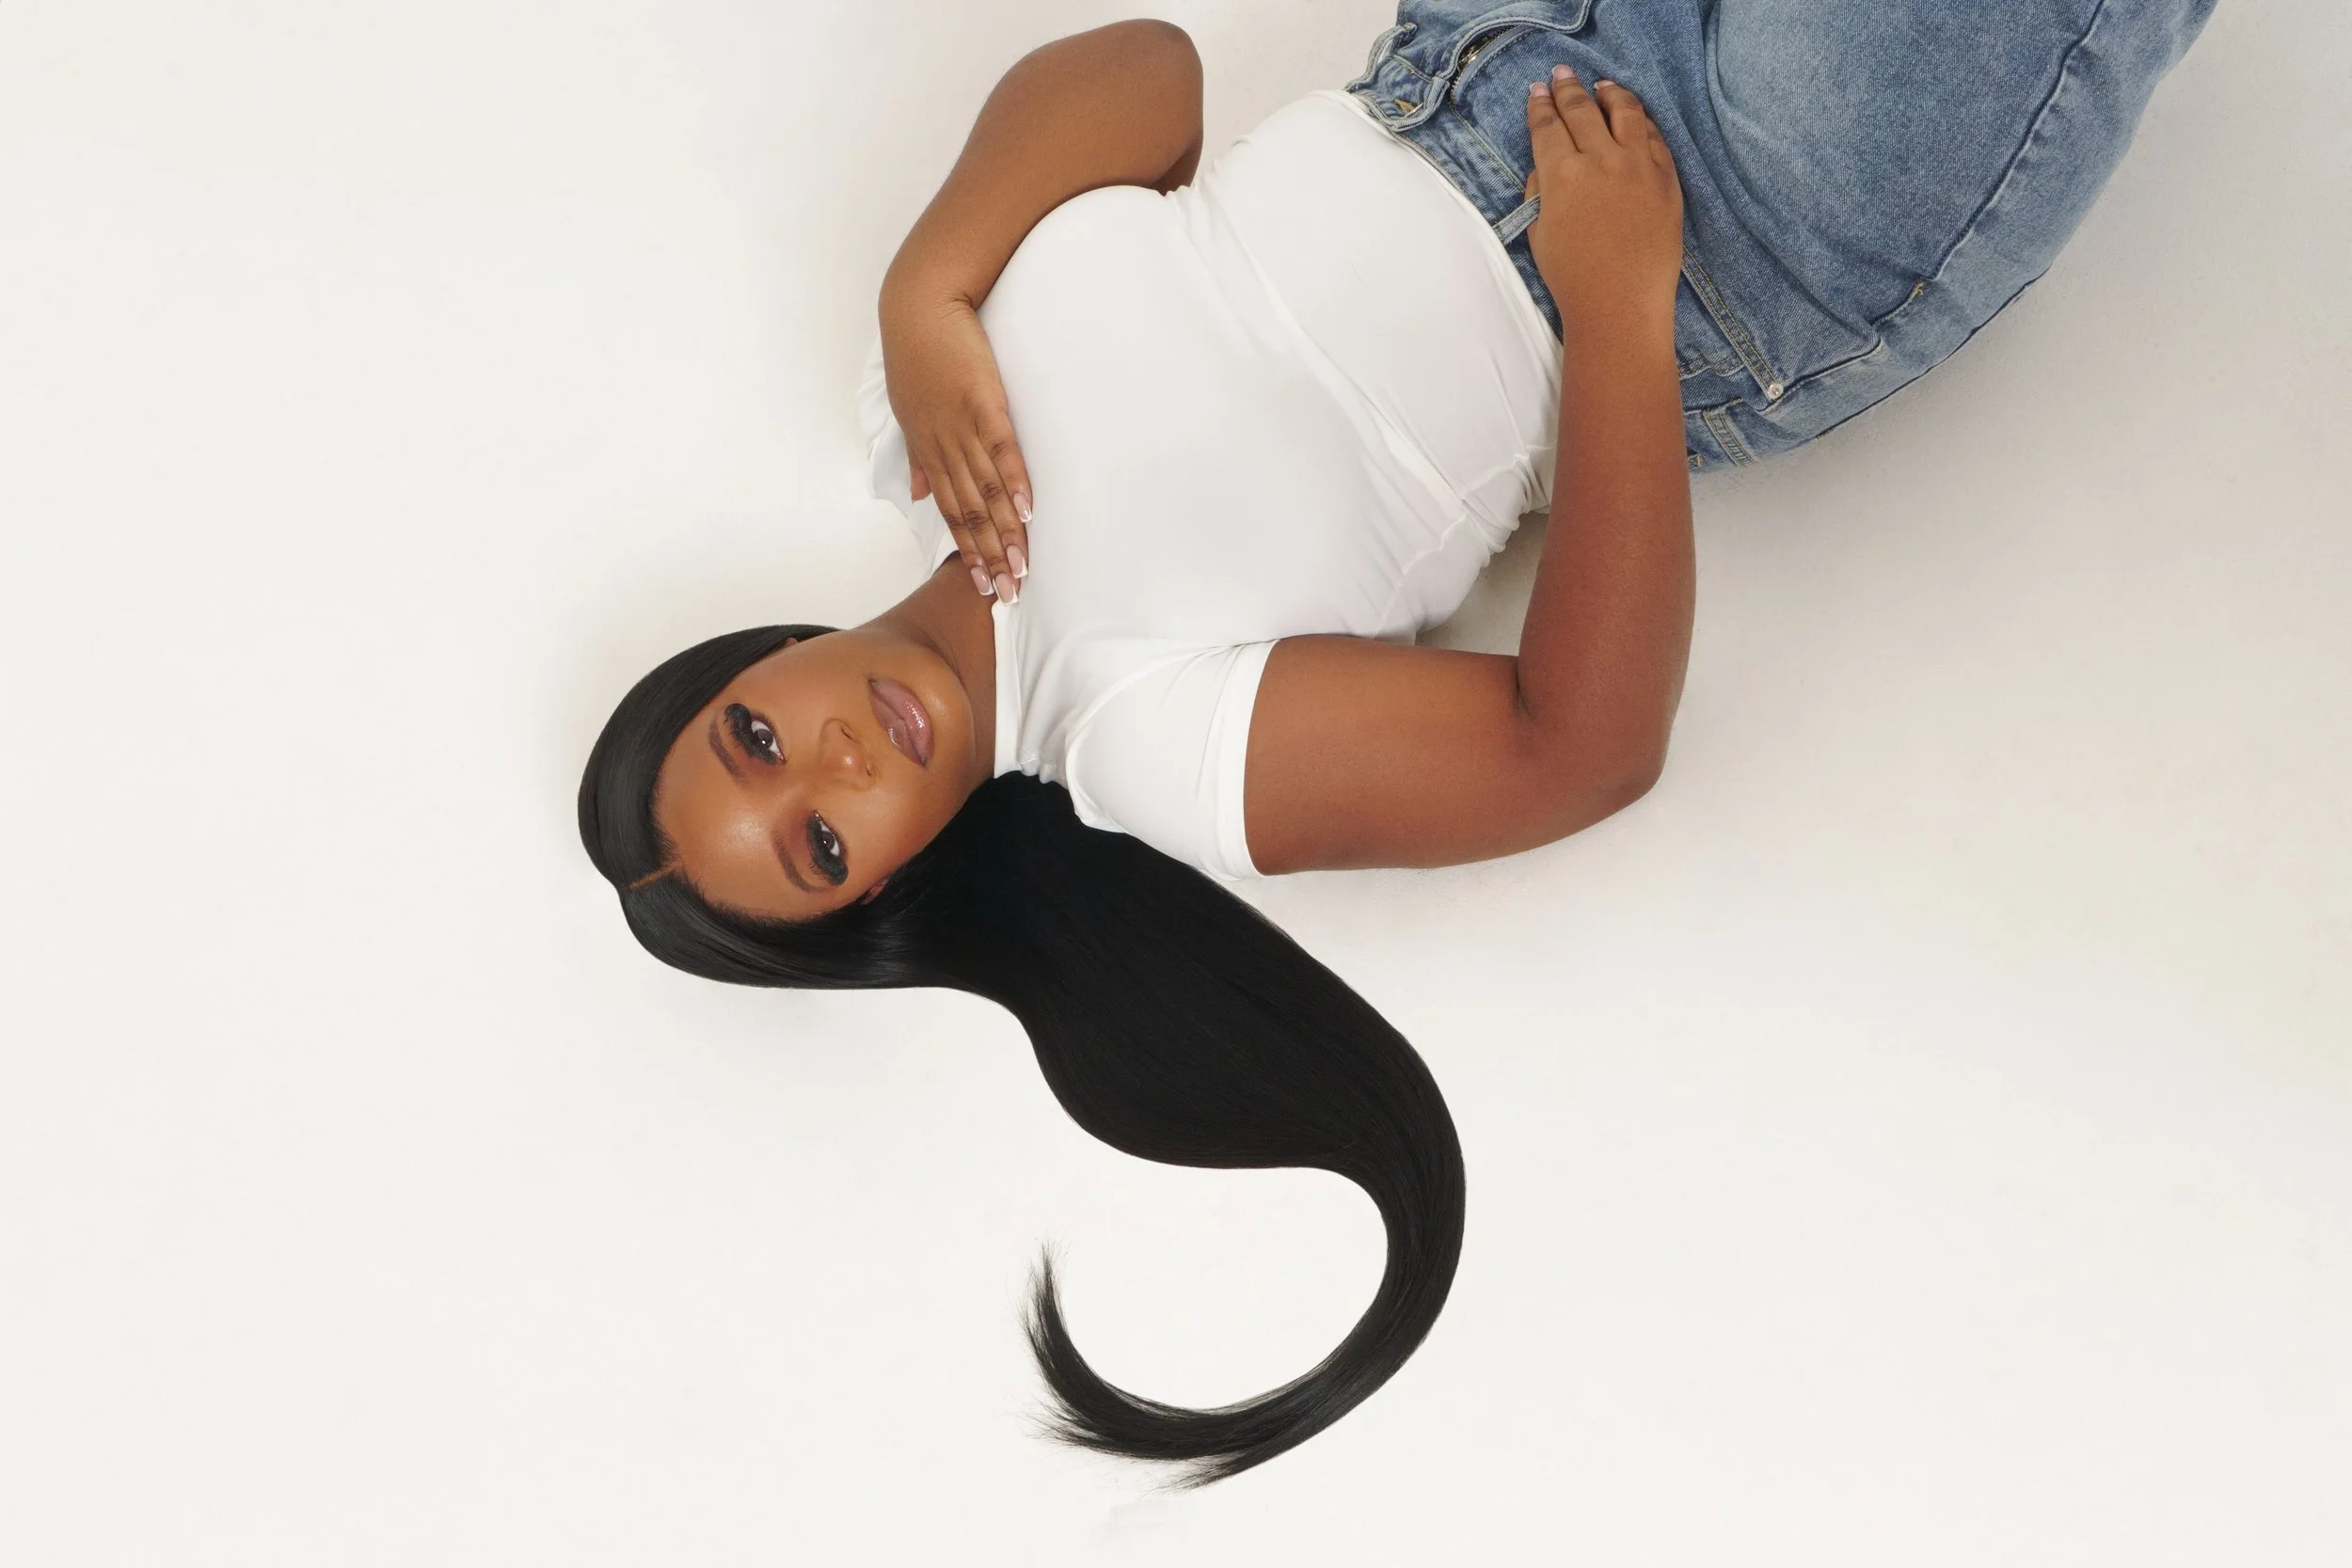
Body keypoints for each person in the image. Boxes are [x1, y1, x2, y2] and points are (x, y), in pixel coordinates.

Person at [579, 1, 2217, 1484]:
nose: (832, 767)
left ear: (765, 661)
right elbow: (1574, 744)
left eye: (753, 739)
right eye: (820, 844)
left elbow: (1154, 76)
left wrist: (925, 288)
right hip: (1711, 216)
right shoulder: (1138, 737)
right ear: (893, 882)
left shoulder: (922, 404)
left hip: (1484, 42)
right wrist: (1619, 306)